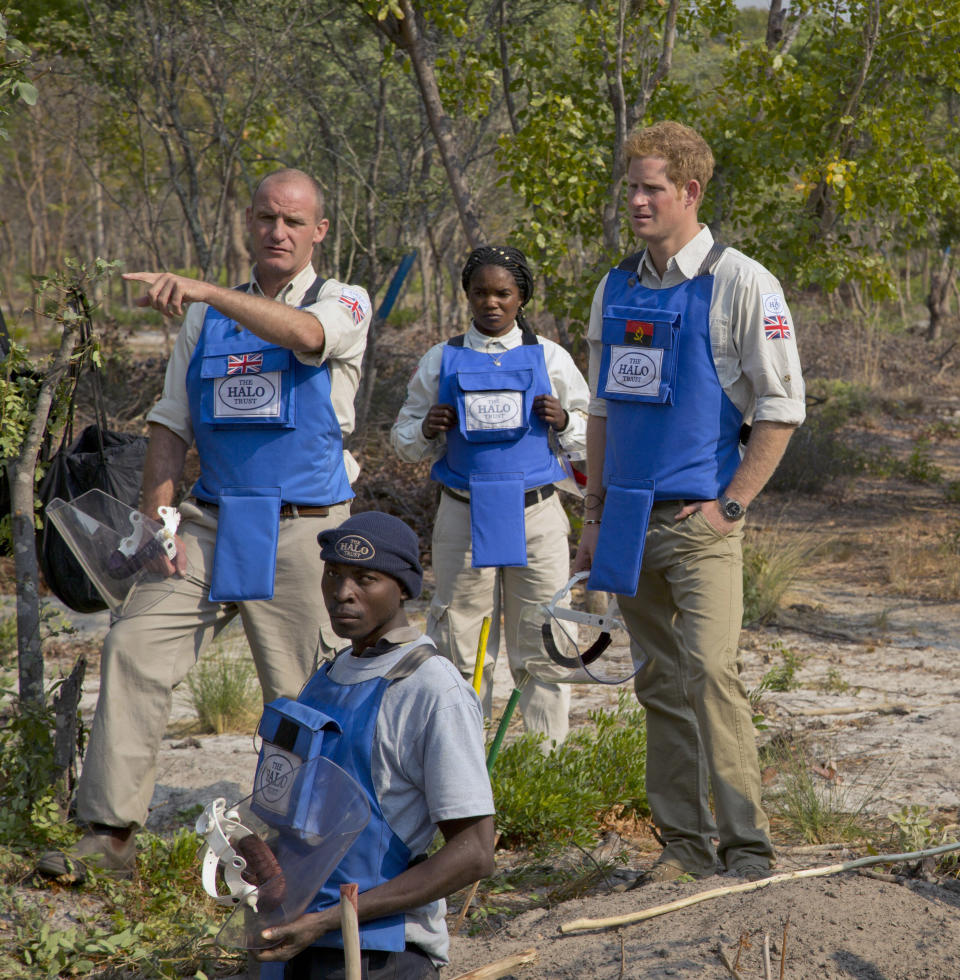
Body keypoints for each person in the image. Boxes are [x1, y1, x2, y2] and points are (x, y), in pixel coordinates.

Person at [38, 168, 371, 879]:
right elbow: (170, 424)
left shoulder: (344, 301)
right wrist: (159, 519)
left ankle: (306, 854)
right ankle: (108, 835)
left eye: (291, 221)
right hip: (210, 523)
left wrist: (207, 289)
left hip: (305, 530)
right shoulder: (205, 320)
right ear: (247, 224)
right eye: (263, 219)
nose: (276, 232)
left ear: (319, 231)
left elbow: (306, 335)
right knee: (133, 643)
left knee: (300, 700)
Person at [573, 122, 805, 883]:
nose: (636, 200)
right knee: (658, 686)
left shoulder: (743, 283)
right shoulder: (617, 285)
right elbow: (603, 408)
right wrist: (594, 518)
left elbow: (781, 407)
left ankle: (749, 851)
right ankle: (681, 848)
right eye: (631, 187)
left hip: (701, 524)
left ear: (691, 193)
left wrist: (729, 508)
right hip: (628, 523)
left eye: (652, 188)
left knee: (711, 675)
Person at [252, 511, 495, 978]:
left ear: (402, 587)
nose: (343, 592)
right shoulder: (326, 676)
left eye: (366, 578)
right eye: (334, 574)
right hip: (291, 938)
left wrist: (330, 918)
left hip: (375, 954)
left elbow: (474, 853)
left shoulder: (432, 689)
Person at [390, 245, 589, 745]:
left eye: (503, 292)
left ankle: (547, 766)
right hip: (463, 517)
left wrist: (564, 422)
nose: (491, 302)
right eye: (480, 292)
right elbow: (403, 439)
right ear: (467, 295)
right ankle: (464, 768)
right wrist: (428, 428)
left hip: (537, 514)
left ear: (521, 297)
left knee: (545, 639)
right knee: (463, 643)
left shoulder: (550, 358)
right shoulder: (442, 358)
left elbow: (594, 432)